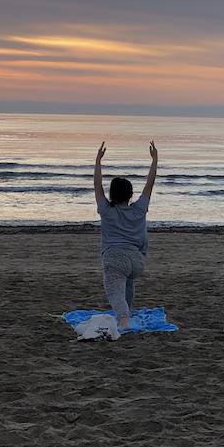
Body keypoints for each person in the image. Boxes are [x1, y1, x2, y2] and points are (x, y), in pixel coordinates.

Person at [93, 140, 157, 333]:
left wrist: (98, 161)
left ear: (112, 194)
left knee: (115, 293)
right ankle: (128, 311)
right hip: (137, 262)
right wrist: (155, 160)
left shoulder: (106, 210)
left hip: (115, 259)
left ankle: (123, 320)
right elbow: (150, 183)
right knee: (127, 282)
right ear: (130, 194)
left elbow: (97, 185)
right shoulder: (139, 209)